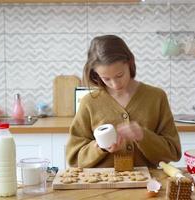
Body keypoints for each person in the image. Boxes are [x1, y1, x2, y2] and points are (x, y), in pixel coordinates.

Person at [66, 35, 181, 168]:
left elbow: (173, 152)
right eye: (106, 79)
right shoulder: (89, 102)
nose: (115, 84)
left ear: (130, 62)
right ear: (95, 74)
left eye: (119, 75)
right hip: (101, 186)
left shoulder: (156, 97)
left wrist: (143, 136)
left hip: (147, 185)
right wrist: (100, 147)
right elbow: (74, 158)